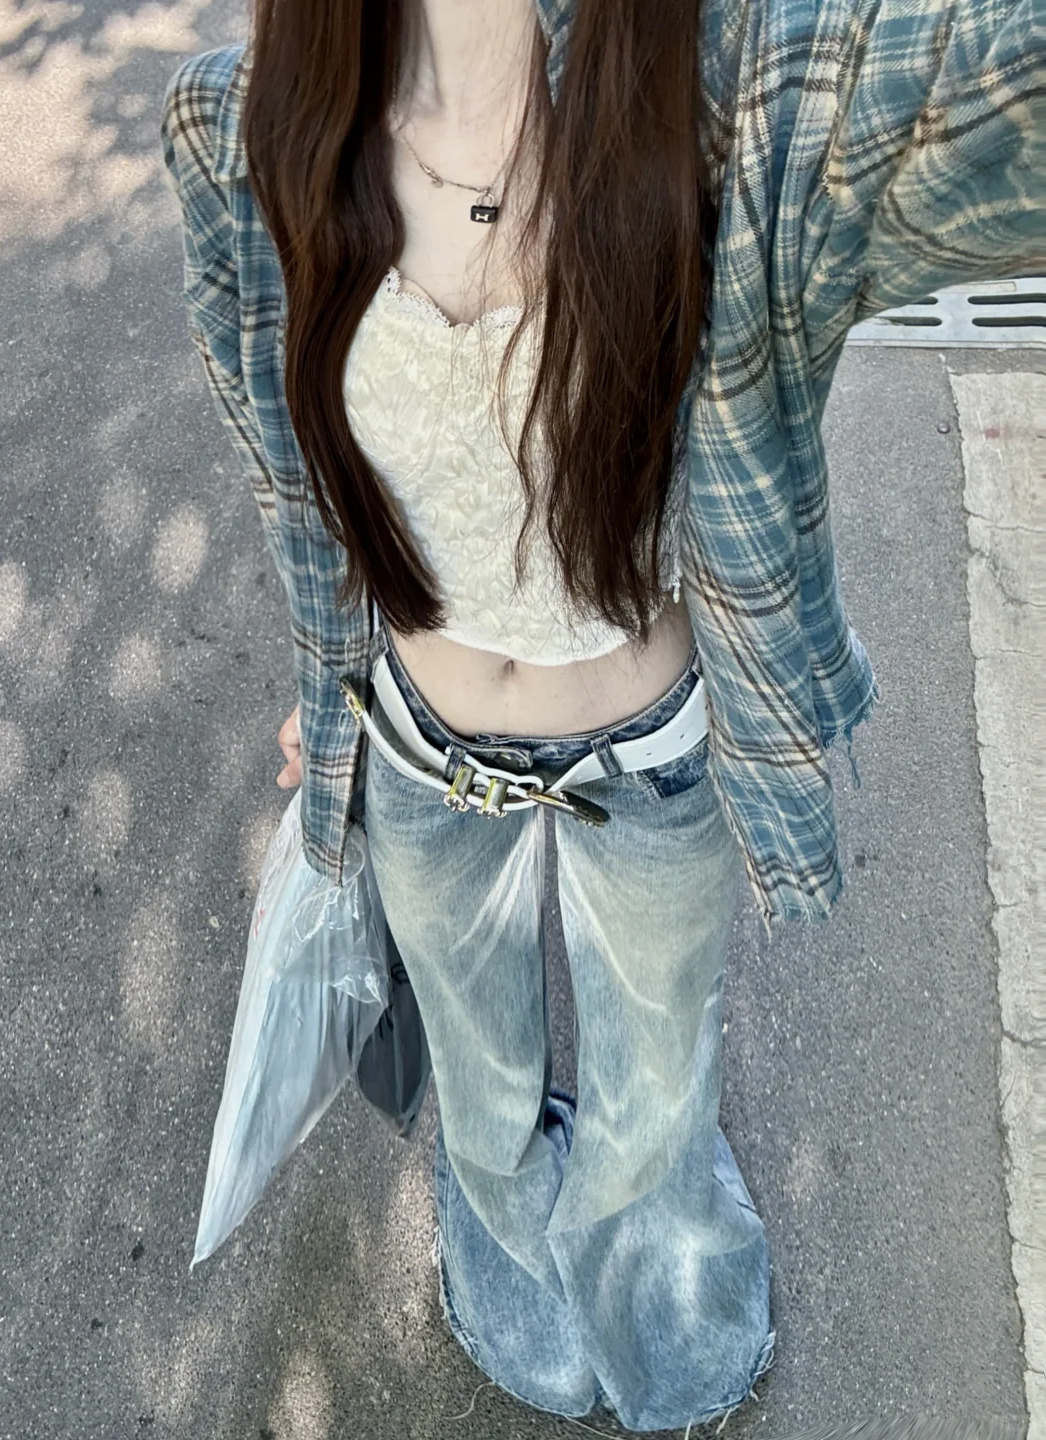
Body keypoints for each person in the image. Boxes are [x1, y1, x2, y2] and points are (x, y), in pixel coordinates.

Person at [160, 0, 1041, 1430]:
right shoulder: (241, 128)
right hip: (418, 746)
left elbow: (995, 100)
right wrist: (327, 697)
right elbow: (302, 499)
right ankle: (519, 1297)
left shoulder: (736, 88)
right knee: (482, 1092)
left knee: (651, 1103)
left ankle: (663, 1326)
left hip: (656, 756)